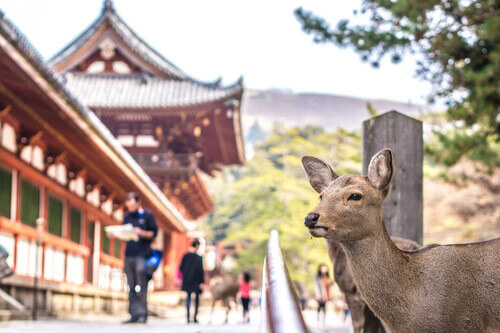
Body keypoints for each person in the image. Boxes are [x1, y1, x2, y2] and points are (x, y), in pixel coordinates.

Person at [120, 192, 157, 324]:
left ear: (138, 202)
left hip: (142, 255)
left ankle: (142, 313)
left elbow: (154, 234)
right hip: (129, 254)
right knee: (130, 285)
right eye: (128, 205)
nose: (130, 207)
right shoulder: (127, 217)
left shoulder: (147, 216)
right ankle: (133, 313)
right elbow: (124, 233)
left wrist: (142, 233)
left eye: (132, 204)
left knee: (141, 284)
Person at [179, 239, 204, 324]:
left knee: (188, 298)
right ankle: (195, 317)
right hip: (196, 280)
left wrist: (186, 275)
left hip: (187, 280)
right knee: (196, 299)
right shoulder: (198, 258)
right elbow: (201, 271)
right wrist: (201, 282)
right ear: (197, 246)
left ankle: (188, 317)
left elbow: (181, 267)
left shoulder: (185, 256)